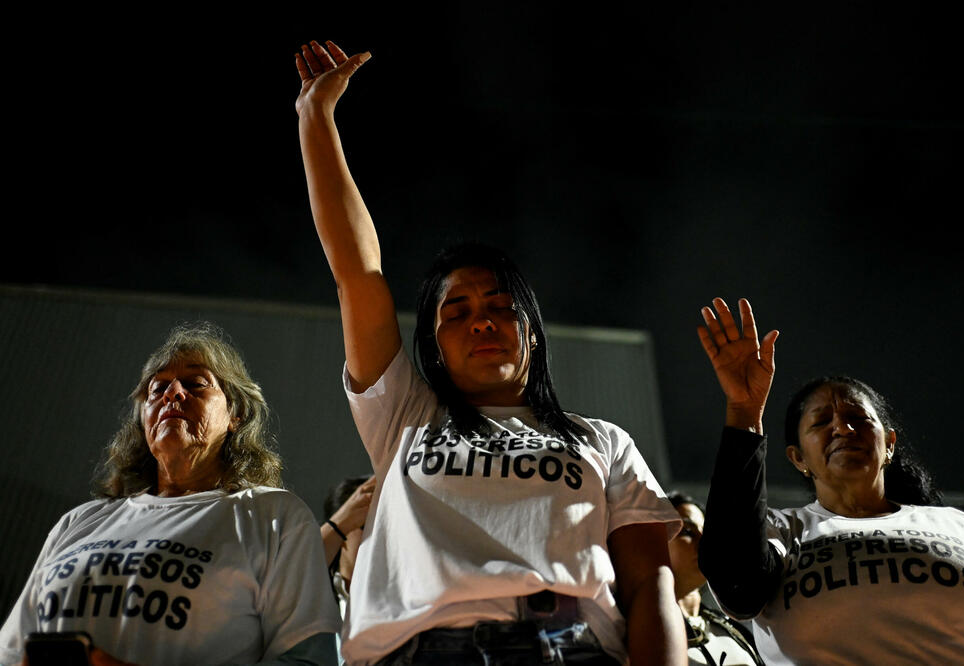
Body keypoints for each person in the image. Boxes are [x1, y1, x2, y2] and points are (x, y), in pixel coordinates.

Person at [295, 38, 686, 665]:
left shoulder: (603, 440)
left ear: (531, 334)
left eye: (502, 307)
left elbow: (651, 586)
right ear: (434, 346)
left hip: (574, 650)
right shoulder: (405, 418)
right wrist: (314, 118)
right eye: (458, 312)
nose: (483, 322)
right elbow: (358, 273)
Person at [0, 324, 341, 666]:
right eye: (157, 388)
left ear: (236, 414)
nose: (172, 394)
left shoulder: (274, 517)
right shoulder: (78, 522)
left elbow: (308, 662)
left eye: (195, 384)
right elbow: (10, 653)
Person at [695, 297, 964, 664]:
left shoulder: (959, 527)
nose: (842, 428)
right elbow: (737, 588)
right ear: (798, 458)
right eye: (821, 422)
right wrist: (744, 411)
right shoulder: (781, 531)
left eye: (859, 419)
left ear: (889, 445)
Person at [665, 492, 762, 666]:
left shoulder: (731, 628)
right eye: (687, 532)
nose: (705, 542)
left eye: (707, 533)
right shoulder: (640, 632)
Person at [322, 475, 376, 666]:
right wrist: (337, 524)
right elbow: (285, 571)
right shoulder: (313, 588)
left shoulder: (404, 591)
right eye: (368, 526)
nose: (378, 537)